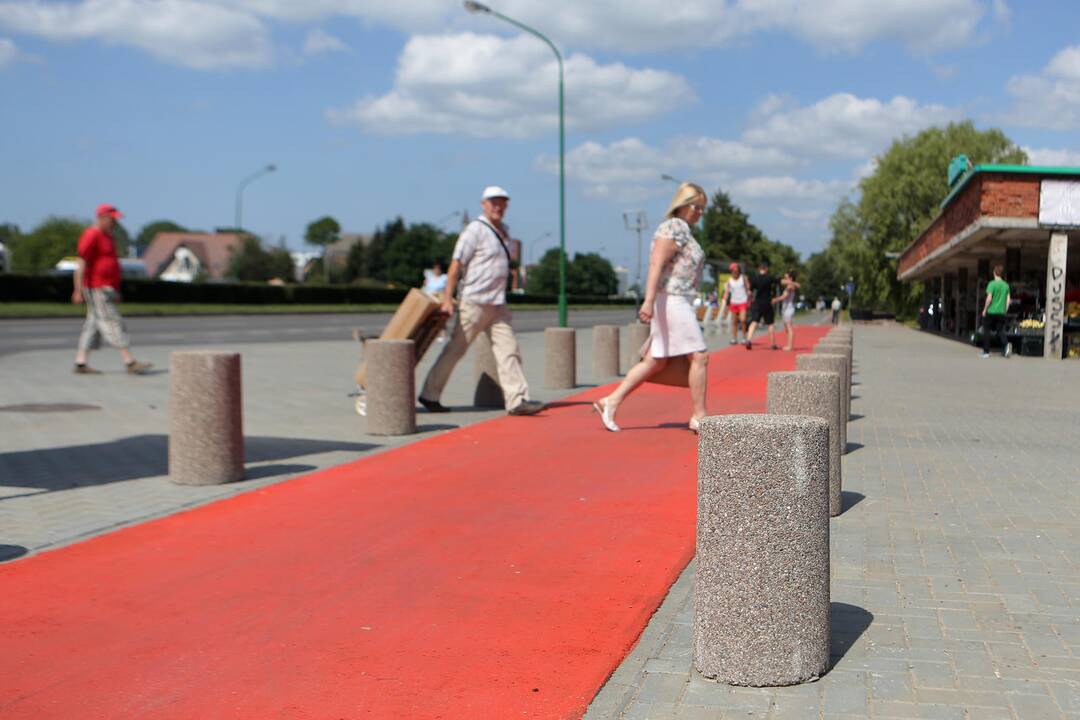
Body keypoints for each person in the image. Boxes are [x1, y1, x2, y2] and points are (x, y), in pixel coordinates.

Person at [592, 182, 709, 433]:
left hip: (677, 299)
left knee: (656, 361)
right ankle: (699, 415)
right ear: (683, 205)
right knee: (700, 355)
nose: (700, 212)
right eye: (696, 207)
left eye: (702, 208)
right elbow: (656, 264)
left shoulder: (683, 230)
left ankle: (611, 401)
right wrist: (648, 300)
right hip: (673, 299)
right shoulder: (674, 227)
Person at [417, 186, 543, 416]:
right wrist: (448, 299)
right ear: (483, 204)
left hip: (497, 304)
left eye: (502, 203)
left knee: (509, 350)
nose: (498, 207)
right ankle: (429, 394)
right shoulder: (474, 230)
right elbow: (456, 266)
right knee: (456, 349)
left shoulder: (504, 231)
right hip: (474, 301)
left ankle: (517, 400)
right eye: (494, 202)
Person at [72, 204, 151, 375]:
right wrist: (78, 289)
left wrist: (116, 289)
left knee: (93, 324)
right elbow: (82, 263)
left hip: (106, 288)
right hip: (95, 286)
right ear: (102, 218)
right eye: (112, 219)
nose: (115, 223)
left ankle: (81, 362)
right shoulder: (92, 234)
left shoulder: (108, 237)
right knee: (112, 321)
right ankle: (129, 361)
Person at [981, 264, 1012, 359]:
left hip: (991, 311)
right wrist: (1005, 310)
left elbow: (989, 298)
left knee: (986, 331)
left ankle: (986, 352)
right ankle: (1006, 345)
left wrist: (985, 309)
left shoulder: (992, 284)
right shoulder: (1006, 285)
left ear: (994, 273)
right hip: (1001, 312)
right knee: (1000, 331)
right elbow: (1008, 300)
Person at [745, 261, 778, 349]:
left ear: (759, 269)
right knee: (770, 324)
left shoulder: (755, 279)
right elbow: (778, 281)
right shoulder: (769, 278)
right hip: (767, 302)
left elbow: (750, 291)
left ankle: (748, 340)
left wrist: (750, 299)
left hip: (758, 302)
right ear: (766, 269)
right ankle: (772, 344)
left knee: (754, 321)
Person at [720, 262, 750, 345]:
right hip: (734, 302)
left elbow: (748, 287)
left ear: (739, 271)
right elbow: (727, 292)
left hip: (743, 301)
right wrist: (725, 300)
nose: (734, 272)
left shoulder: (743, 278)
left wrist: (749, 294)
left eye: (736, 271)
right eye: (733, 271)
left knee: (743, 320)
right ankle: (734, 338)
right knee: (734, 321)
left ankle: (744, 338)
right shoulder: (729, 281)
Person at [771, 270, 800, 351]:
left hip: (789, 309)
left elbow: (784, 296)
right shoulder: (790, 285)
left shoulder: (790, 286)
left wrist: (775, 300)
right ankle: (789, 344)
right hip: (785, 309)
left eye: (786, 277)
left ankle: (790, 346)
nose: (784, 279)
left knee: (789, 327)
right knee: (786, 328)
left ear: (790, 278)